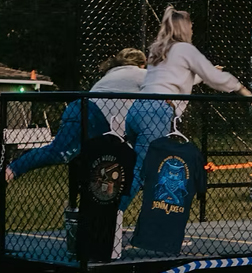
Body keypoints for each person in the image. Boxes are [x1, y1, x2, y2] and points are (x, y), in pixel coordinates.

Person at [120, 5, 252, 210]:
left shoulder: (158, 49)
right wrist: (243, 90)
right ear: (183, 28)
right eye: (190, 26)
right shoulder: (184, 49)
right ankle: (111, 222)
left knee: (147, 171)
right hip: (158, 112)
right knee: (140, 171)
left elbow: (177, 79)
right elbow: (215, 78)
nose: (192, 29)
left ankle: (146, 226)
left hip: (138, 109)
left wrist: (201, 74)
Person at [5, 48, 147, 183]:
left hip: (87, 111)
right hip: (92, 115)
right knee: (61, 153)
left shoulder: (112, 73)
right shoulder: (141, 74)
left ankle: (81, 198)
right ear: (142, 64)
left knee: (93, 159)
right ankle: (11, 170)